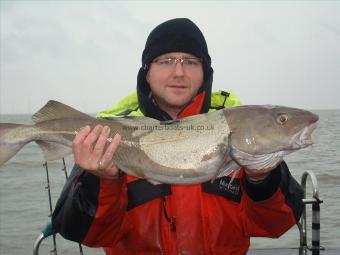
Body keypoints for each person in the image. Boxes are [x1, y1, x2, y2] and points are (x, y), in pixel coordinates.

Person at [52, 18, 304, 255]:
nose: (179, 72)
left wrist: (262, 178)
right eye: (166, 60)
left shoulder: (242, 130)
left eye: (191, 61)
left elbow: (277, 224)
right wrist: (102, 181)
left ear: (205, 72)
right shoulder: (107, 133)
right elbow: (81, 232)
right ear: (147, 72)